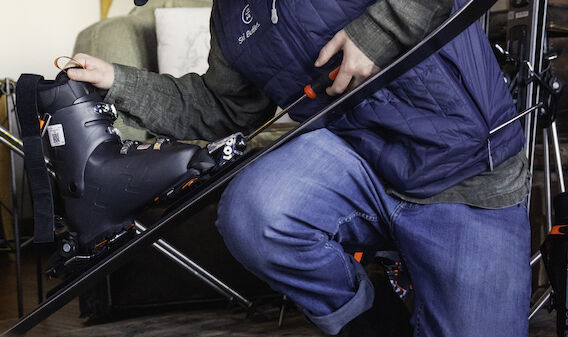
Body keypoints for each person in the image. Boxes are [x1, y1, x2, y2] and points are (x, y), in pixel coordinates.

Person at [67, 0, 531, 336]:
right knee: (255, 210)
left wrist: (377, 32)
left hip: (465, 168)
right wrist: (116, 81)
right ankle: (370, 322)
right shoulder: (229, 17)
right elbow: (224, 106)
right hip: (356, 161)